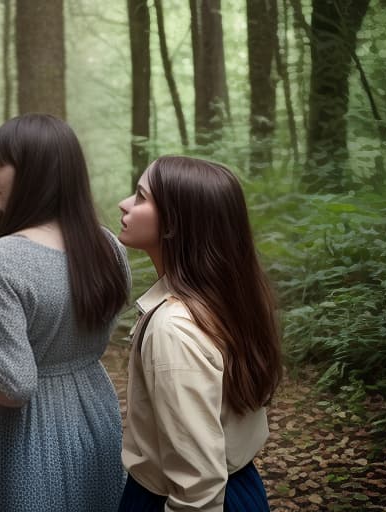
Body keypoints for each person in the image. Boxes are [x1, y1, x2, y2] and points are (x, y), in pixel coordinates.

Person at [0, 113, 131, 512]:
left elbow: (15, 386)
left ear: (34, 172)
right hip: (98, 412)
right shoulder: (109, 247)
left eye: (1, 163)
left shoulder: (5, 258)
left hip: (31, 434)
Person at [117, 155, 282, 511]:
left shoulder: (173, 328)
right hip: (240, 487)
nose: (124, 204)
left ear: (175, 223)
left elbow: (198, 486)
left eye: (141, 197)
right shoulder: (227, 300)